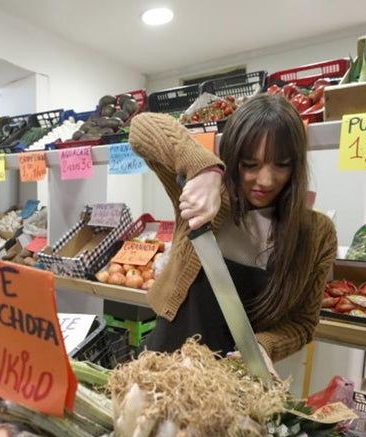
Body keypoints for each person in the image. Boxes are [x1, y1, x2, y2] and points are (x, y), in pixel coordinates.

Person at [129, 93, 337, 363]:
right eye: (250, 165)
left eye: (282, 165)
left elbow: (302, 323)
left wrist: (264, 347)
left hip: (236, 378)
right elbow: (142, 127)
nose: (265, 180)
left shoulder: (317, 234)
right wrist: (205, 171)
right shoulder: (205, 201)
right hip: (167, 360)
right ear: (234, 156)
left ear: (296, 166)